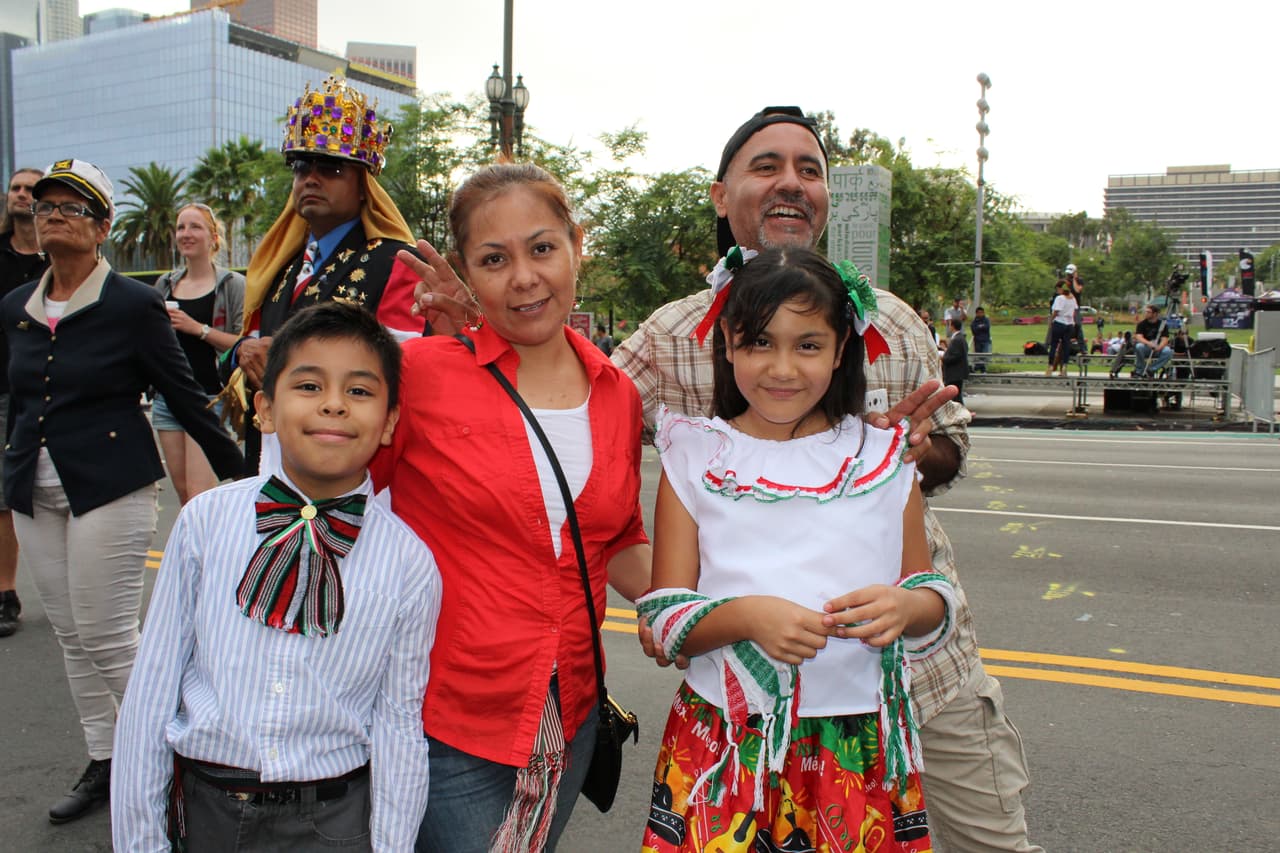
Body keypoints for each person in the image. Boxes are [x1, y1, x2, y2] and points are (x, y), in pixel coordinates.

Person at [611, 106, 1041, 852]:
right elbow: (577, 427)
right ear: (722, 194)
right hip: (738, 715)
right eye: (767, 166)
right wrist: (704, 613)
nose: (791, 184)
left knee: (991, 837)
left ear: (841, 347)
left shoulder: (893, 323)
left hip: (914, 685)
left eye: (809, 169)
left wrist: (912, 449)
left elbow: (948, 455)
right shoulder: (669, 335)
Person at [372, 162, 652, 853]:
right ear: (467, 271)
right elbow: (339, 493)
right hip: (452, 724)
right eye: (494, 259)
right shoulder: (422, 376)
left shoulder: (618, 393)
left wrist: (712, 611)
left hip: (574, 713)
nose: (524, 276)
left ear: (576, 246)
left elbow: (615, 540)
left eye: (542, 248)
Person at [636, 248, 952, 852]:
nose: (782, 367)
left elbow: (930, 592)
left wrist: (904, 609)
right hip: (728, 745)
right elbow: (665, 615)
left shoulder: (883, 456)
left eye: (807, 345)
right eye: (759, 342)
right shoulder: (693, 454)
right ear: (728, 344)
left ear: (840, 351)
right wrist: (750, 617)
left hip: (859, 746)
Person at [112, 302, 441, 852]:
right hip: (209, 805)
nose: (334, 404)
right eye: (309, 386)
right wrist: (140, 842)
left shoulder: (408, 563)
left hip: (336, 818)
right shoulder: (205, 523)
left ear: (388, 424)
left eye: (359, 391)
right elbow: (152, 692)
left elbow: (398, 725)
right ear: (264, 409)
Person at [0, 159, 244, 824]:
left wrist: (245, 472)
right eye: (46, 203)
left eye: (73, 206)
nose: (53, 212)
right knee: (72, 637)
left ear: (104, 227)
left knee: (110, 637)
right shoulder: (14, 309)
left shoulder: (133, 304)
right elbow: (13, 397)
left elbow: (183, 394)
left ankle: (171, 767)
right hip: (32, 484)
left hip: (109, 483)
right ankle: (107, 759)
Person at [223, 76, 423, 472]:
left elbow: (408, 367)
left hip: (350, 465)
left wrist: (289, 356)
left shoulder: (396, 262)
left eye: (331, 168)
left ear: (364, 186)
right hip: (270, 459)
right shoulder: (277, 266)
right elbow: (241, 352)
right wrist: (241, 353)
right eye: (301, 167)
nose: (310, 178)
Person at [152, 203, 245, 504]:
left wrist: (197, 328)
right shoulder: (164, 285)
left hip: (209, 400)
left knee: (200, 497)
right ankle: (189, 553)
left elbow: (243, 344)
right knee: (182, 495)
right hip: (168, 399)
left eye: (195, 227)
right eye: (181, 227)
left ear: (213, 237)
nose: (186, 234)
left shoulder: (232, 285)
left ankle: (211, 552)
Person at [0, 166, 48, 637]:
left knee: (52, 487)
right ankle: (5, 591)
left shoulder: (59, 261)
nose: (21, 195)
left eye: (31, 190)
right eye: (15, 188)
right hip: (3, 388)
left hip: (49, 390)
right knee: (3, 495)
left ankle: (71, 587)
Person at [1046, 277, 1077, 377]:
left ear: (1061, 289)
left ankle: (1050, 366)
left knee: (1054, 345)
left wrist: (1051, 320)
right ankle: (1064, 367)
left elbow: (1056, 311)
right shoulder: (1073, 298)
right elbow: (1074, 311)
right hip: (1069, 324)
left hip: (1059, 322)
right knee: (1066, 346)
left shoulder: (1060, 298)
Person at [1131, 304, 1173, 377]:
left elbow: (1165, 339)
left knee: (1168, 351)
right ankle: (1140, 369)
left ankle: (1151, 369)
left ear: (1155, 314)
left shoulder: (1162, 325)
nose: (1146, 313)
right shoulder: (1142, 324)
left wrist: (1159, 347)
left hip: (1158, 347)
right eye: (1146, 312)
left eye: (1148, 312)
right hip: (1146, 347)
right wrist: (1148, 343)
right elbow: (1139, 337)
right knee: (1139, 346)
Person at [941, 317, 969, 404]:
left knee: (955, 396)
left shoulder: (957, 339)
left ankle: (961, 413)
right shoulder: (961, 338)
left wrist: (944, 358)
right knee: (957, 396)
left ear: (952, 326)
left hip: (955, 373)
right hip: (958, 372)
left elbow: (955, 356)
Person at [1063, 263, 1085, 352]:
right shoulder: (1065, 281)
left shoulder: (1079, 280)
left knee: (1078, 326)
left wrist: (1074, 279)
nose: (1069, 275)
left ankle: (1083, 348)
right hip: (1066, 307)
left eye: (1071, 273)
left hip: (1075, 307)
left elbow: (1077, 290)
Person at [970, 305, 992, 373]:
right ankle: (979, 367)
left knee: (984, 355)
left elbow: (987, 327)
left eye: (982, 312)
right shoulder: (974, 322)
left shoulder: (986, 320)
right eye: (979, 312)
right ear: (976, 313)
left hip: (985, 340)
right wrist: (981, 327)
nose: (980, 314)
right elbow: (974, 330)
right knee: (978, 355)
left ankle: (982, 368)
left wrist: (980, 327)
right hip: (977, 341)